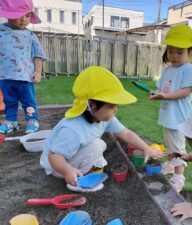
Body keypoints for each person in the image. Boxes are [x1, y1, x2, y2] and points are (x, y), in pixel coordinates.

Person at [40, 66, 164, 189]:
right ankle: (79, 181)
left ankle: (88, 168)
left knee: (99, 145)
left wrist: (146, 148)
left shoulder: (103, 118)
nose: (116, 109)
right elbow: (54, 156)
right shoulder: (73, 129)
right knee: (97, 145)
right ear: (93, 106)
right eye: (111, 106)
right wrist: (68, 170)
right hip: (57, 167)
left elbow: (126, 134)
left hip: (71, 155)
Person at [149, 24, 192, 193]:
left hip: (179, 117)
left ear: (190, 52)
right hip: (168, 115)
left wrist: (164, 96)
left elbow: (185, 91)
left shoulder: (189, 69)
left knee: (178, 147)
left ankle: (179, 177)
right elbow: (163, 89)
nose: (174, 56)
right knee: (170, 143)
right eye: (171, 51)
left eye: (180, 52)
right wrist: (156, 93)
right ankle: (171, 164)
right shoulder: (167, 70)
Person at [0, 0, 46, 134]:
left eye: (27, 16)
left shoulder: (30, 35)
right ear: (8, 14)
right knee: (9, 101)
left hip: (25, 76)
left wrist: (38, 72)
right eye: (19, 15)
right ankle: (11, 121)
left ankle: (32, 120)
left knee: (28, 101)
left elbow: (39, 55)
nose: (24, 20)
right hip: (4, 76)